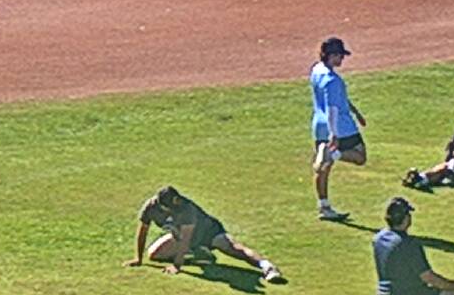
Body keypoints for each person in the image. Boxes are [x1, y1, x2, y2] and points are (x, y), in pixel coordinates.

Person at [124, 185, 284, 282]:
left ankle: (267, 267)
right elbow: (143, 229)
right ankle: (198, 253)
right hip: (182, 238)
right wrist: (138, 258)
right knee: (154, 254)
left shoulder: (187, 208)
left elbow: (187, 237)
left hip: (209, 233)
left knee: (234, 249)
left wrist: (176, 266)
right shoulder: (150, 207)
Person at [310, 36, 367, 222]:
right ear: (331, 55)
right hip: (341, 126)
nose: (342, 59)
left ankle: (324, 206)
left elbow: (338, 99)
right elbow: (332, 106)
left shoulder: (316, 70)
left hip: (319, 125)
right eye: (339, 56)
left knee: (323, 170)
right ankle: (332, 154)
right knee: (359, 156)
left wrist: (355, 111)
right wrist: (334, 134)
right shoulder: (333, 80)